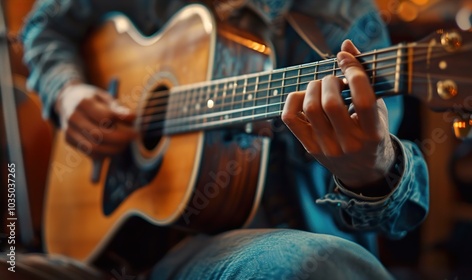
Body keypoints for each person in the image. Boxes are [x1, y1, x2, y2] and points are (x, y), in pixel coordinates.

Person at [4, 0, 429, 279]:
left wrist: (371, 174)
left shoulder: (343, 18)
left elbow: (396, 217)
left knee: (306, 267)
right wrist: (67, 92)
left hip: (244, 254)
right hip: (100, 252)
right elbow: (46, 24)